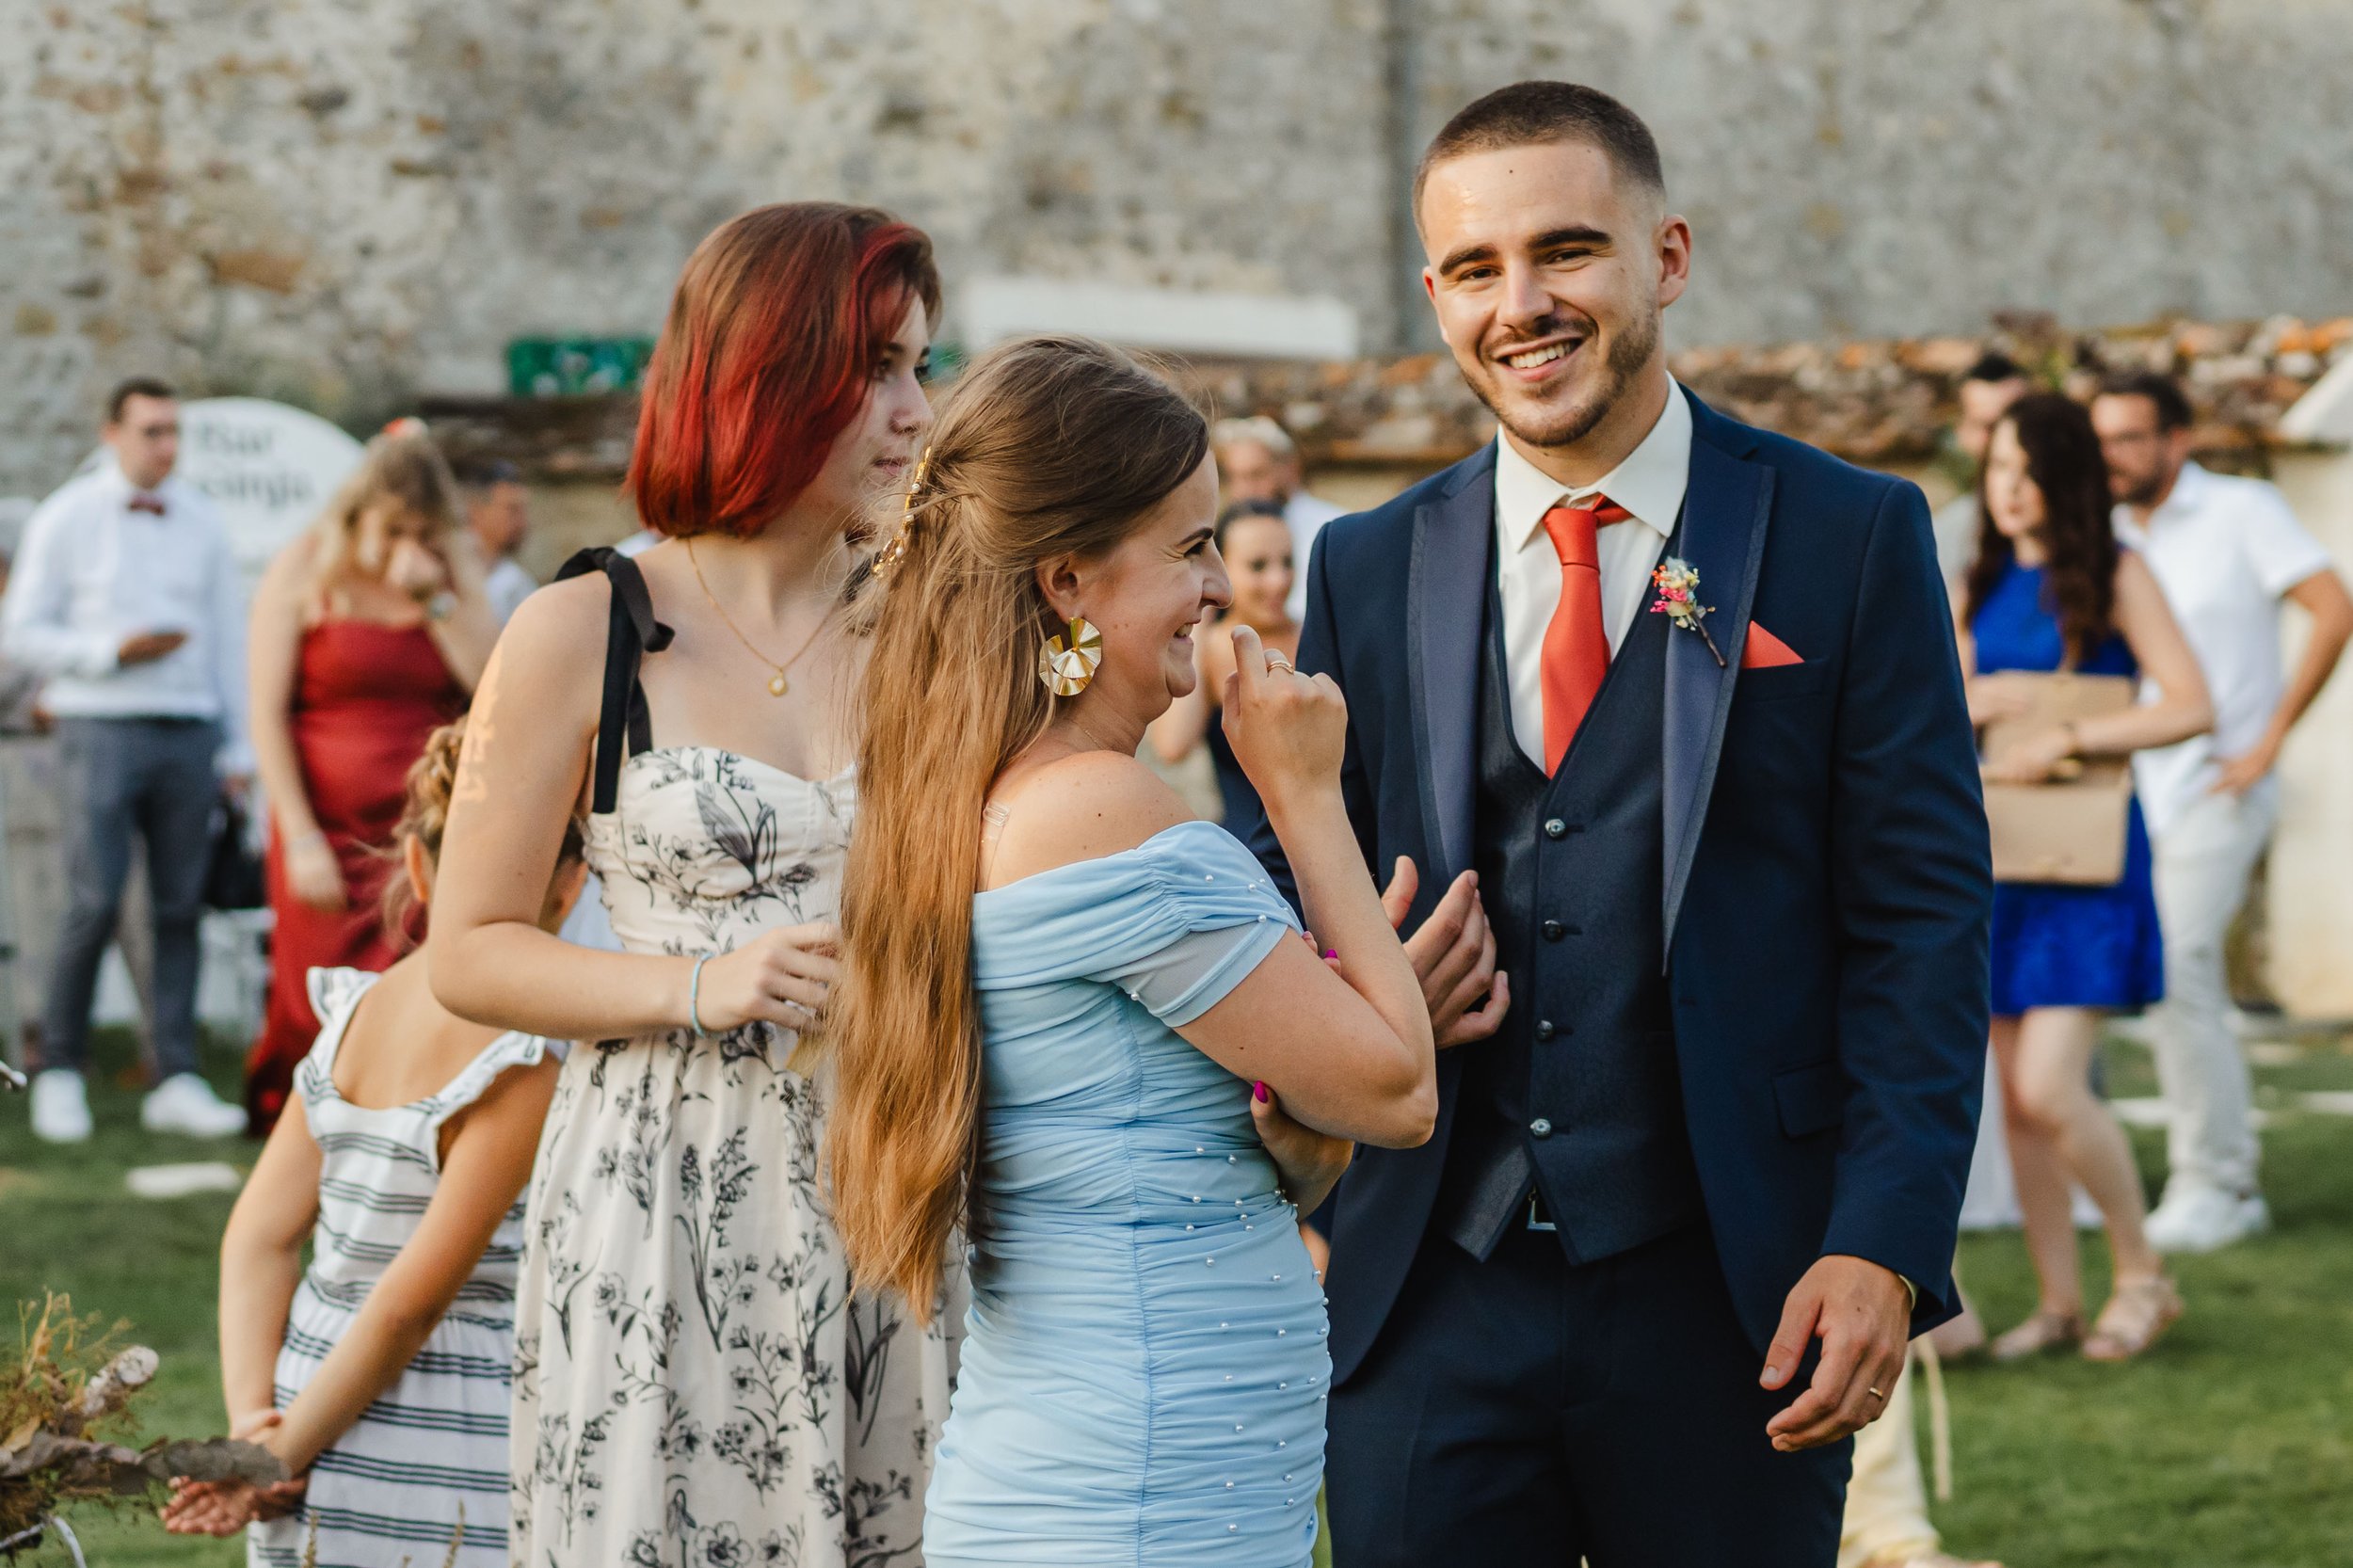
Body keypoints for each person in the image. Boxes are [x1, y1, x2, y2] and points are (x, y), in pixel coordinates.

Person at [1250, 82, 1993, 1566]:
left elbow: (1923, 916)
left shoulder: (1850, 536)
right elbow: (1299, 878)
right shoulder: (1369, 563)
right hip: (1424, 1290)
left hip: (1740, 1288)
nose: (1519, 304)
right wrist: (1353, 995)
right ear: (1435, 293)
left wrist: (1884, 1244)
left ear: (1666, 256)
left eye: (1566, 251)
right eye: (1473, 269)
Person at [824, 333, 1435, 1567]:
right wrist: (1306, 796)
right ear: (1069, 583)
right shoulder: (1106, 813)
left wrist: (1331, 1056)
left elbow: (1194, 1145)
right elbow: (1399, 1089)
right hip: (1141, 1488)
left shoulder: (978, 795)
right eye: (1192, 547)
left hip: (1122, 1459)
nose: (1222, 591)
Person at [424, 203, 953, 1568]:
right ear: (770, 378)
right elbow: (469, 949)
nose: (915, 410)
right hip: (659, 1186)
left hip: (895, 1173)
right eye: (880, 368)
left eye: (921, 367)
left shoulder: (931, 627)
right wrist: (697, 982)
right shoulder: (583, 628)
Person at [160, 718, 585, 1567]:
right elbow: (408, 1306)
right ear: (571, 886)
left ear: (419, 868)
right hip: (445, 1440)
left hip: (307, 1396)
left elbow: (259, 1236)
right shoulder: (524, 1055)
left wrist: (259, 1424)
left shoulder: (354, 1011)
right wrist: (277, 1454)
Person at [1963, 393, 2212, 1362]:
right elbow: (1923, 714)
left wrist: (2070, 731)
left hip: (2088, 861)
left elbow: (2187, 703)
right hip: (2000, 858)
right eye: (1995, 472)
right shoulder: (1974, 580)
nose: (2009, 492)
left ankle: (2143, 1274)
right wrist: (1974, 695)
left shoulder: (2116, 571)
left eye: (2026, 473)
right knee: (2017, 1101)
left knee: (2052, 1085)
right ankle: (2060, 1300)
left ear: (2064, 479)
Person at [2090, 372, 2353, 1254]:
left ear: (2177, 439)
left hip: (2219, 783)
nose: (2113, 457)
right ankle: (2148, 1169)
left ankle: (2221, 1184)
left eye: (2131, 438)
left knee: (2181, 965)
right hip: (2135, 793)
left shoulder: (2242, 510)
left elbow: (2331, 608)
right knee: (2147, 981)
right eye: (2103, 440)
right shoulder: (2107, 532)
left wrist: (2270, 738)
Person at [3, 376, 250, 1143]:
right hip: (98, 725)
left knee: (179, 908)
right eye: (151, 431)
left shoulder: (203, 521)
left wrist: (237, 744)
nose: (166, 446)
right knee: (95, 899)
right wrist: (111, 652)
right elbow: (20, 633)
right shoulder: (67, 517)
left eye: (174, 431)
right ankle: (62, 1070)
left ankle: (175, 1073)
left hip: (189, 730)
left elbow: (226, 638)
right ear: (112, 434)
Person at [243, 423, 494, 1132]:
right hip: (325, 820)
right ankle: (301, 1122)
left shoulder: (451, 577)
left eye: (421, 529)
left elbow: (496, 686)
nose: (401, 545)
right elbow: (266, 714)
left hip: (419, 824)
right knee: (311, 982)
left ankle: (405, 1110)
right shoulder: (303, 569)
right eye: (390, 529)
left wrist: (435, 600)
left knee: (416, 975)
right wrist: (299, 837)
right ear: (356, 516)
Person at [1146, 497, 1299, 832]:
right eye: (1258, 566)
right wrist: (1200, 617)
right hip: (1255, 844)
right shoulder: (1213, 646)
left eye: (1287, 562)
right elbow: (1172, 745)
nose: (1278, 580)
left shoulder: (1316, 631)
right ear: (1223, 568)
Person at [1212, 415, 1347, 622]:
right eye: (1234, 477)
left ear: (1289, 469)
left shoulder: (1334, 528)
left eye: (1256, 474)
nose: (1242, 490)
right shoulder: (1225, 529)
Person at [1930, 354, 2031, 600]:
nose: (2002, 441)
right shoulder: (1938, 520)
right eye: (1987, 426)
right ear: (1961, 430)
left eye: (2016, 424)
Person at [463, 458, 537, 624]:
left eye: (524, 510)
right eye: (512, 510)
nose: (522, 522)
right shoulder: (448, 571)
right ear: (476, 511)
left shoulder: (518, 583)